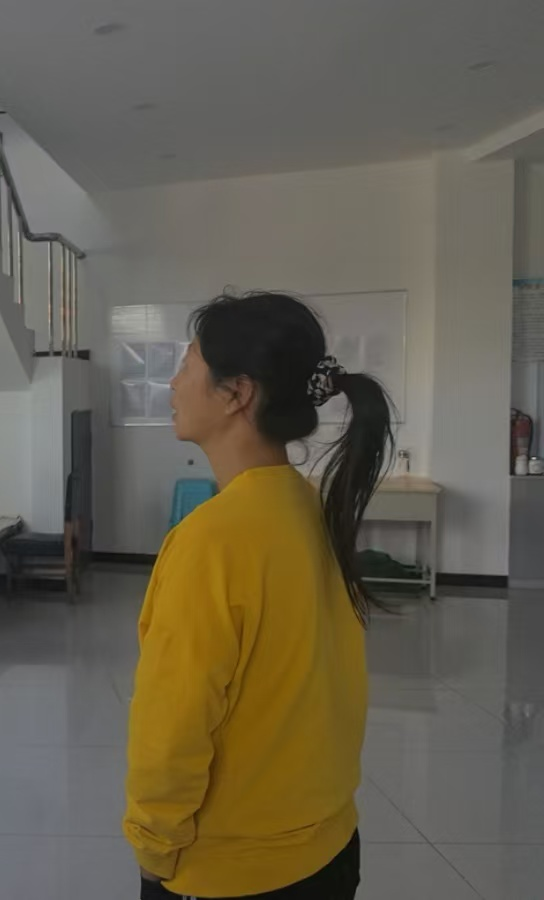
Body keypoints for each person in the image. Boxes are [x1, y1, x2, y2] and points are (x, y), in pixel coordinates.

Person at [124, 292, 393, 899]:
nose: (173, 383)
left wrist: (153, 846)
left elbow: (173, 727)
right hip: (328, 846)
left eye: (187, 365)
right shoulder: (309, 507)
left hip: (235, 869)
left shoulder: (210, 541)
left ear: (236, 393)